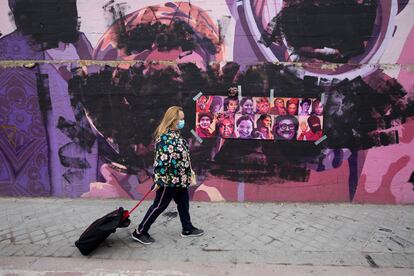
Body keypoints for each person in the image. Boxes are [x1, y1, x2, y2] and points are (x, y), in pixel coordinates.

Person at [132, 106, 204, 244]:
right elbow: (161, 162)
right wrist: (159, 180)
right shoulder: (165, 138)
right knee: (159, 206)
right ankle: (140, 232)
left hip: (180, 180)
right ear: (173, 120)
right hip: (169, 181)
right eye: (181, 119)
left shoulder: (175, 135)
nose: (183, 121)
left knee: (183, 203)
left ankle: (187, 228)